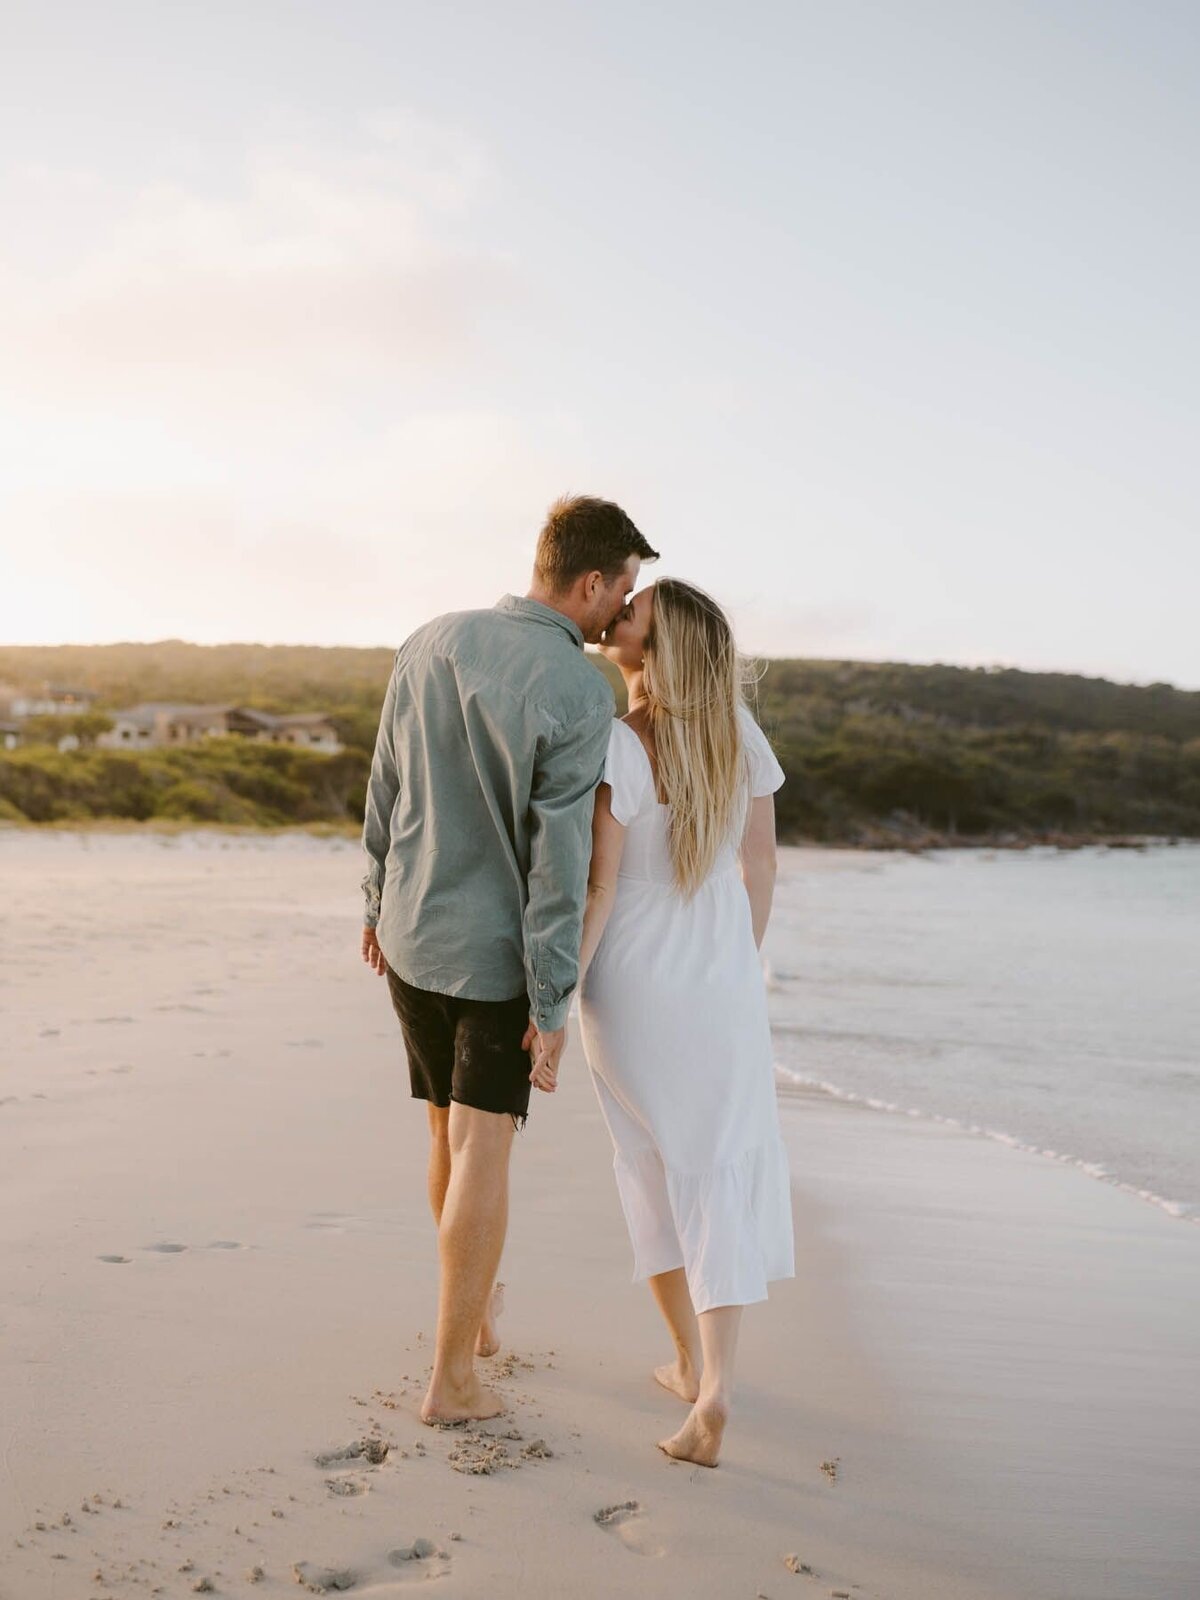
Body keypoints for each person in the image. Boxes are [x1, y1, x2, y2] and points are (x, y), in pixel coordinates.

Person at [360, 495, 658, 1424]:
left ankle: (476, 1325)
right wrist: (554, 993)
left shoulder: (428, 638)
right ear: (593, 580)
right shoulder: (579, 691)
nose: (622, 613)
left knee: (445, 1131)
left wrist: (372, 899)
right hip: (494, 959)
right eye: (624, 592)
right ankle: (451, 1381)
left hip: (409, 934)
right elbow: (555, 859)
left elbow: (385, 781)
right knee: (483, 1147)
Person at [532, 577, 793, 1467]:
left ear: (661, 642)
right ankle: (711, 1381)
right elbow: (759, 865)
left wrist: (558, 1001)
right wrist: (739, 965)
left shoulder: (623, 743)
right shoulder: (741, 736)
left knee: (651, 1164)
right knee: (713, 1166)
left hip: (633, 977)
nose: (618, 621)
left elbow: (600, 887)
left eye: (632, 615)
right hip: (721, 974)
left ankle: (690, 1366)